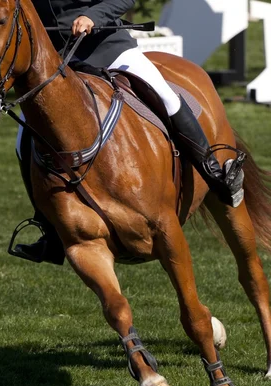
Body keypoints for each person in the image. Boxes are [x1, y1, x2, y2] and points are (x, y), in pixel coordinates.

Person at [13, 0, 245, 264]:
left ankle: (214, 173)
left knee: (167, 98)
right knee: (23, 139)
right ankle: (50, 230)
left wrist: (92, 15)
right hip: (59, 62)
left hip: (109, 50)